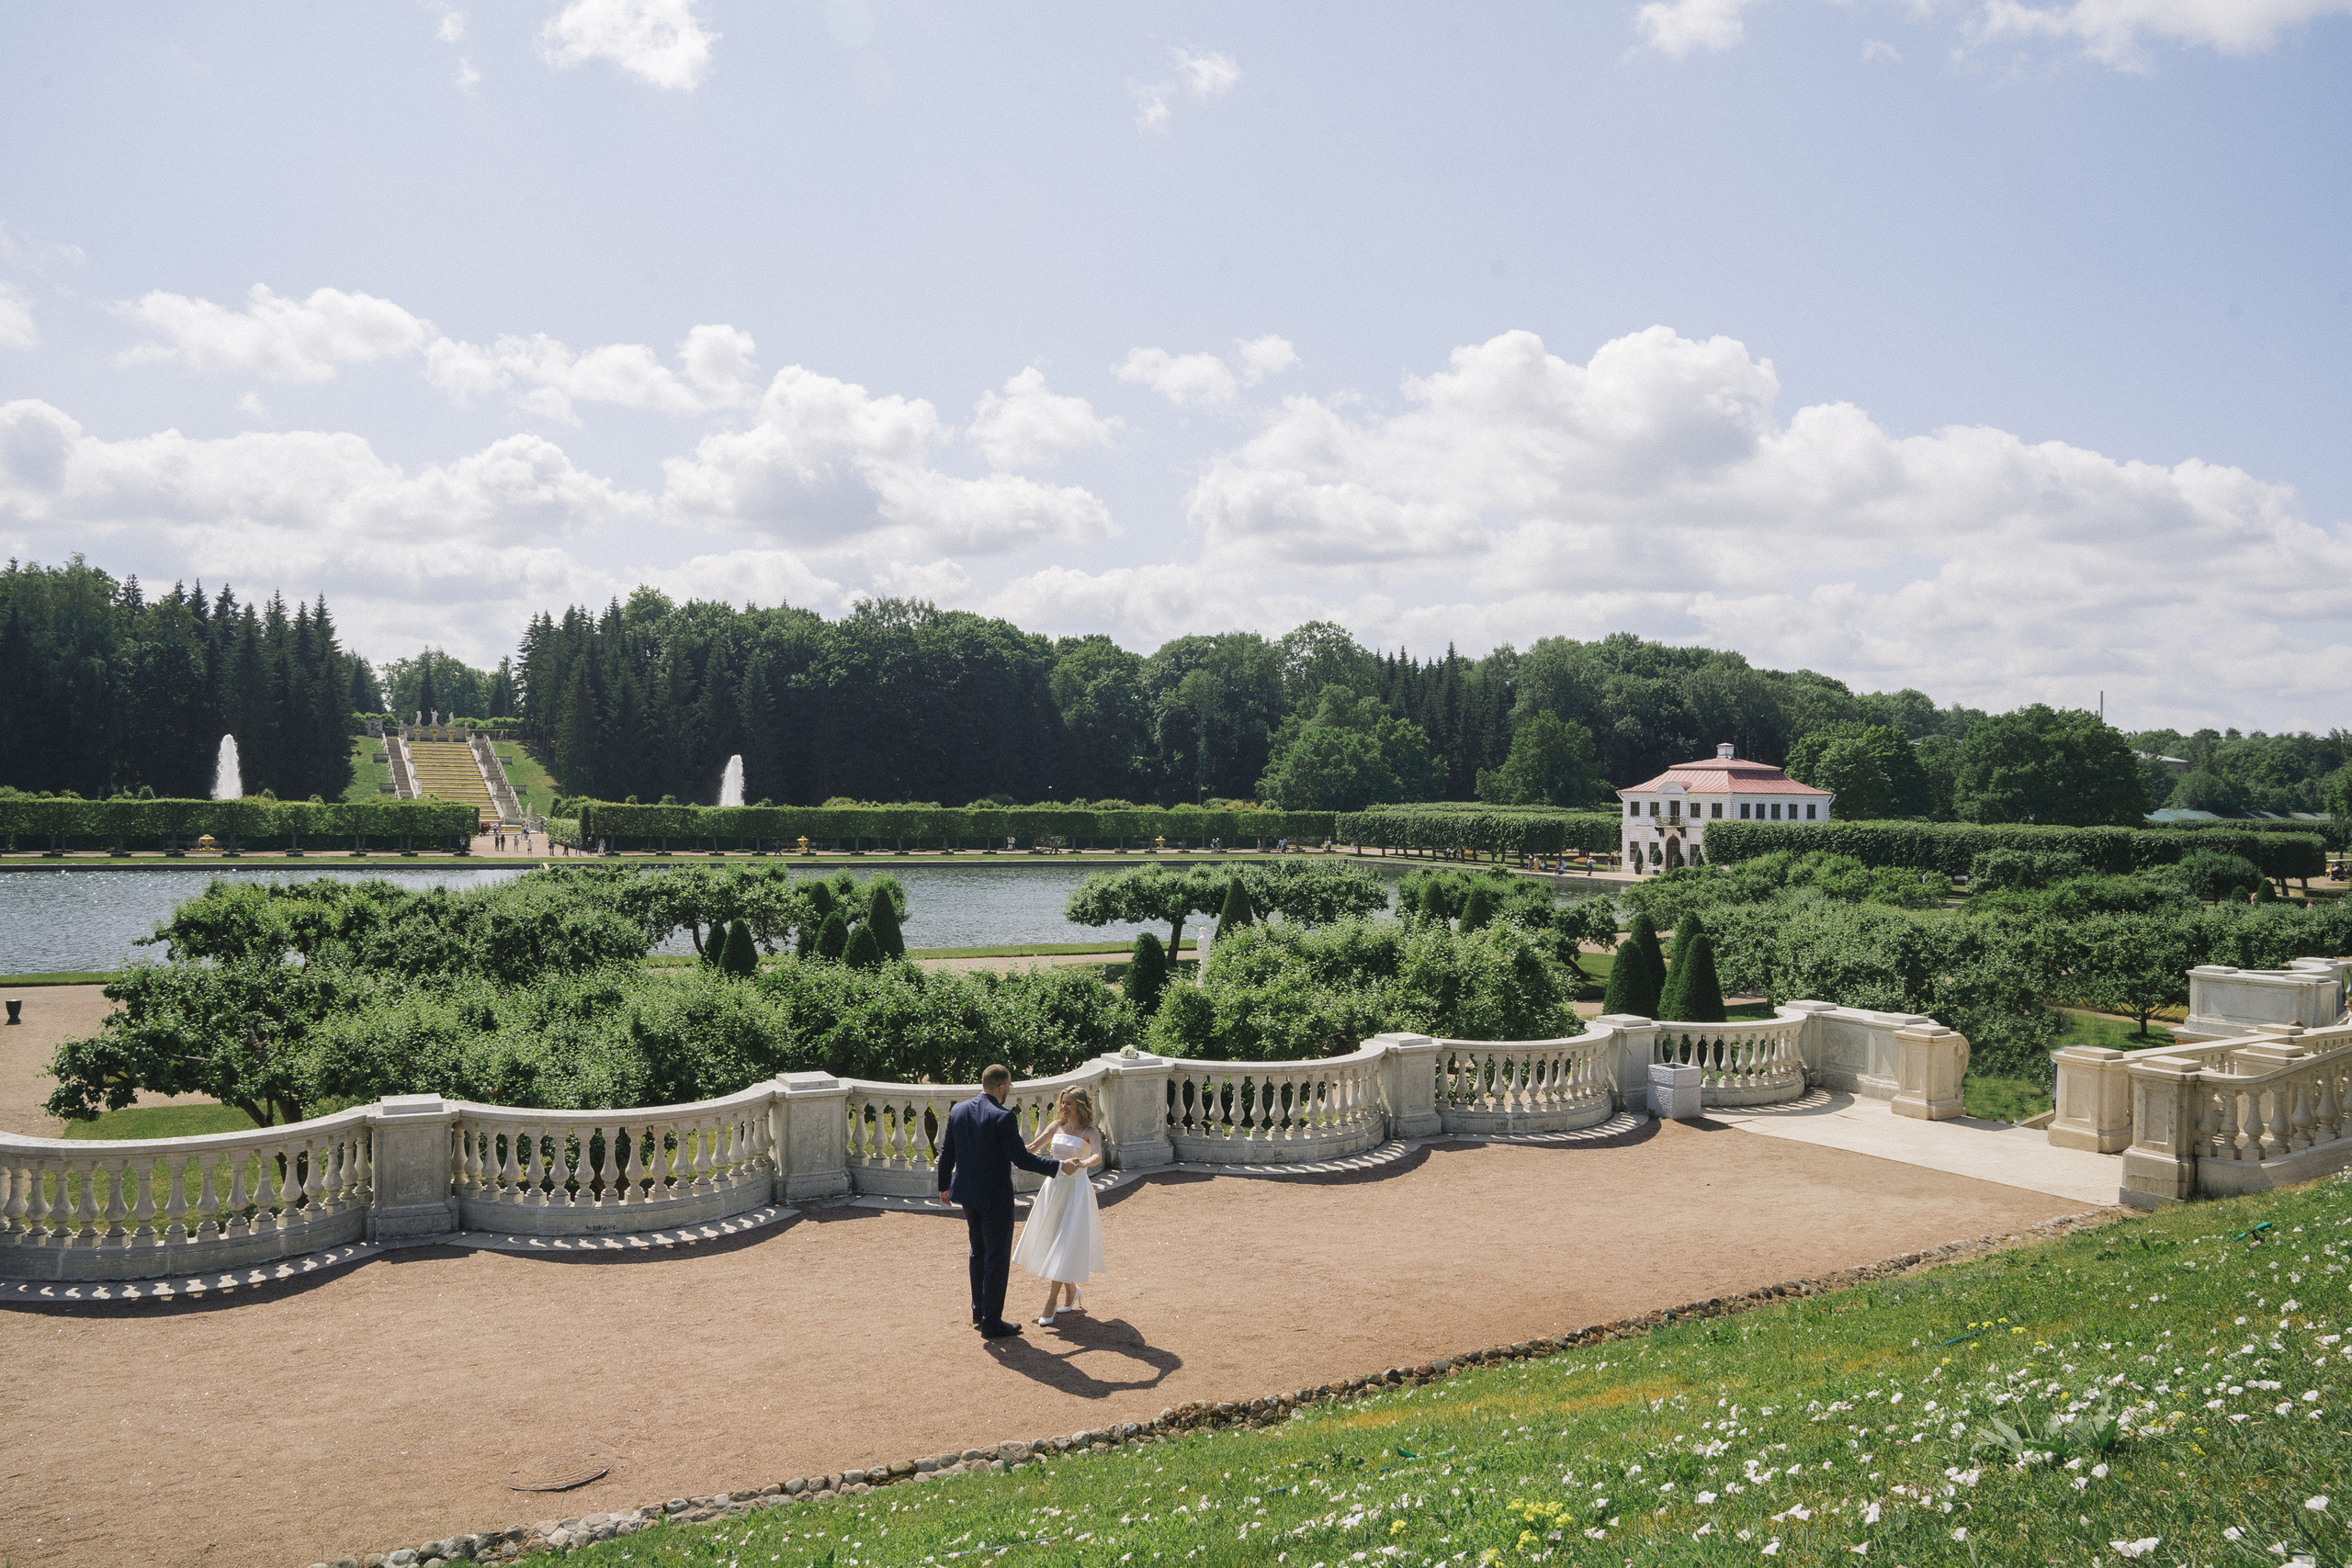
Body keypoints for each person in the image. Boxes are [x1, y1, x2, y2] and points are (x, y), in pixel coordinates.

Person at [936, 1066, 1078, 1339]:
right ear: (1001, 1087)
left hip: (967, 1194)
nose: (1010, 1091)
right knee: (995, 1257)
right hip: (995, 1198)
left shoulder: (959, 1111)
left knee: (977, 1250)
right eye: (1009, 1086)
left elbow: (946, 1153)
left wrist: (944, 1186)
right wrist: (1060, 1166)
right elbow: (1023, 1160)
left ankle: (979, 1311)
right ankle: (992, 1322)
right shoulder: (1003, 1117)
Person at [1012, 1087, 1105, 1326]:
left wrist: (1081, 1163)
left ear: (1081, 1106)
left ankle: (1051, 1302)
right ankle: (1071, 1291)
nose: (1063, 1107)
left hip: (1077, 1191)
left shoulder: (1090, 1131)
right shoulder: (1055, 1127)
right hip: (1053, 1188)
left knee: (1063, 1244)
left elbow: (1097, 1157)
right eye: (1062, 1103)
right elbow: (1031, 1148)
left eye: (1069, 1104)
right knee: (1054, 1240)